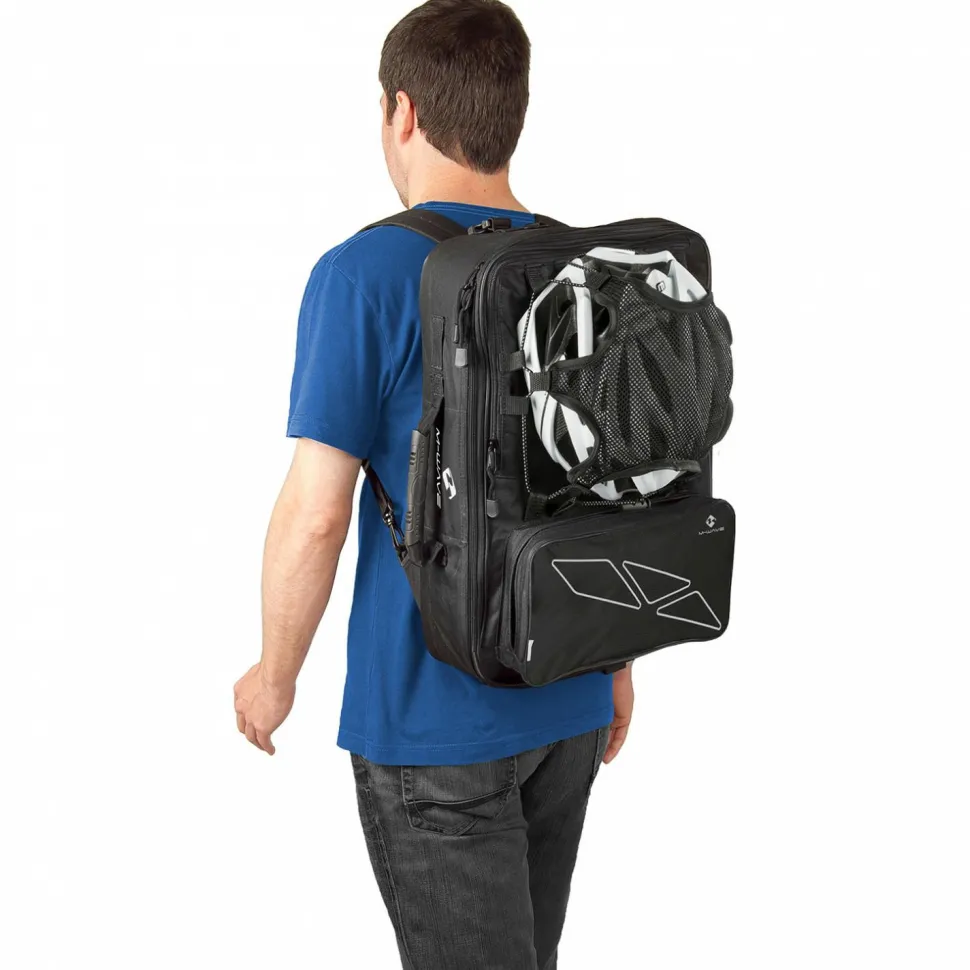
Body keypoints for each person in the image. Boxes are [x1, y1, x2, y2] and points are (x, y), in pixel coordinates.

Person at [233, 2, 634, 967]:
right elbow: (607, 482)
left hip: (432, 720)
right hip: (570, 694)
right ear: (513, 111)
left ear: (402, 111)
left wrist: (274, 676)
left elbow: (317, 512)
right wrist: (616, 665)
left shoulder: (365, 274)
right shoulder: (582, 266)